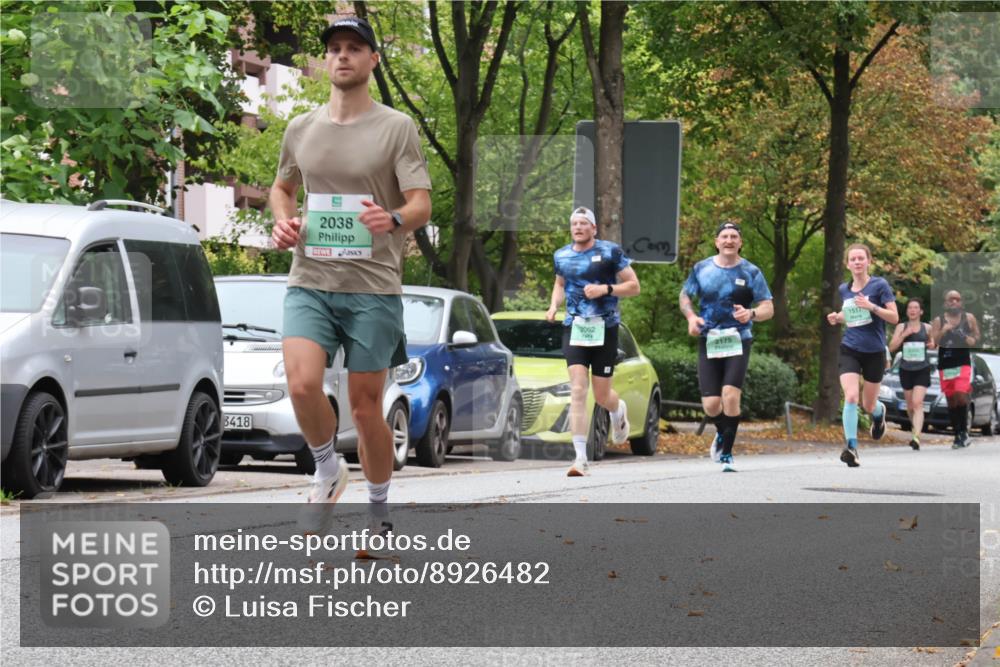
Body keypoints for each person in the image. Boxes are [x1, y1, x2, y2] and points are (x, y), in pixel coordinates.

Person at [269, 16, 432, 542]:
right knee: (300, 383)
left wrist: (396, 219)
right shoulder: (301, 128)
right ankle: (326, 469)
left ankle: (379, 511)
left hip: (372, 287)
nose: (343, 56)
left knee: (365, 410)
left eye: (354, 48)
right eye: (335, 48)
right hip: (311, 278)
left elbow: (421, 204)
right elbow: (282, 188)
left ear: (372, 61)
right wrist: (283, 222)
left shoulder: (396, 127)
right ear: (326, 60)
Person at [546, 206, 641, 477]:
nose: (578, 227)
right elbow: (560, 284)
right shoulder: (561, 255)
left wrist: (606, 289)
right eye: (574, 223)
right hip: (574, 328)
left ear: (594, 228)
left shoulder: (611, 252)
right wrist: (553, 305)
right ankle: (580, 459)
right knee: (577, 389)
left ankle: (617, 409)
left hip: (605, 328)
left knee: (602, 396)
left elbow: (634, 286)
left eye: (584, 223)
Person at [679, 221, 773, 472]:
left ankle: (727, 455)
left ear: (740, 242)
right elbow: (685, 296)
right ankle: (722, 433)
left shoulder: (751, 272)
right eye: (724, 236)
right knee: (711, 404)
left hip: (738, 339)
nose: (729, 240)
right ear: (716, 241)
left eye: (734, 236)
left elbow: (768, 308)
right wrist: (691, 317)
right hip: (709, 339)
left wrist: (751, 313)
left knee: (730, 395)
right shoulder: (702, 268)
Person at [826, 243, 899, 467]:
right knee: (850, 397)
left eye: (861, 258)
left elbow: (894, 317)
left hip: (874, 351)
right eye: (853, 259)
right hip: (850, 348)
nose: (857, 262)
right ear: (847, 264)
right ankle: (851, 447)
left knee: (868, 405)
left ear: (869, 261)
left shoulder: (879, 285)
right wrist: (838, 317)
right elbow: (851, 315)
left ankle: (879, 413)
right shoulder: (843, 289)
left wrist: (872, 306)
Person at [929, 290, 981, 448]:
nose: (954, 302)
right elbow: (934, 342)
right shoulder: (939, 320)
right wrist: (943, 331)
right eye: (951, 299)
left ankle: (964, 432)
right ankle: (957, 434)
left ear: (961, 302)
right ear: (945, 302)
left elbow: (977, 337)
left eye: (957, 299)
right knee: (951, 399)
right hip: (946, 363)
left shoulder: (969, 318)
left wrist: (970, 339)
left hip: (962, 362)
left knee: (961, 393)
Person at [888, 298, 935, 450]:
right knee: (909, 405)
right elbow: (892, 347)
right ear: (907, 311)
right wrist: (903, 335)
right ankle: (915, 429)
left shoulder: (927, 328)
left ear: (921, 311)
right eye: (910, 308)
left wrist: (934, 344)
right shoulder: (901, 326)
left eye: (916, 308)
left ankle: (916, 436)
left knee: (917, 403)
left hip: (922, 369)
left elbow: (935, 345)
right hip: (906, 369)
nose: (913, 310)